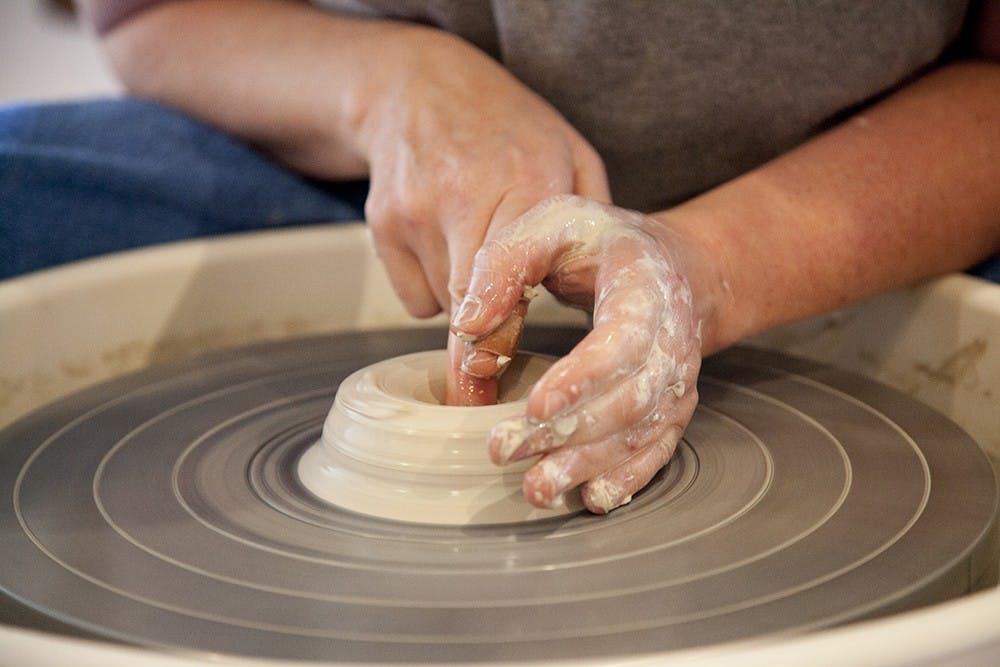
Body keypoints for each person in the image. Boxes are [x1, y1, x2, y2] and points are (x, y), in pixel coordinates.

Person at [2, 1, 999, 515]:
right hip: (362, 172)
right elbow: (148, 18)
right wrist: (394, 90)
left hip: (859, 197)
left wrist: (710, 266)